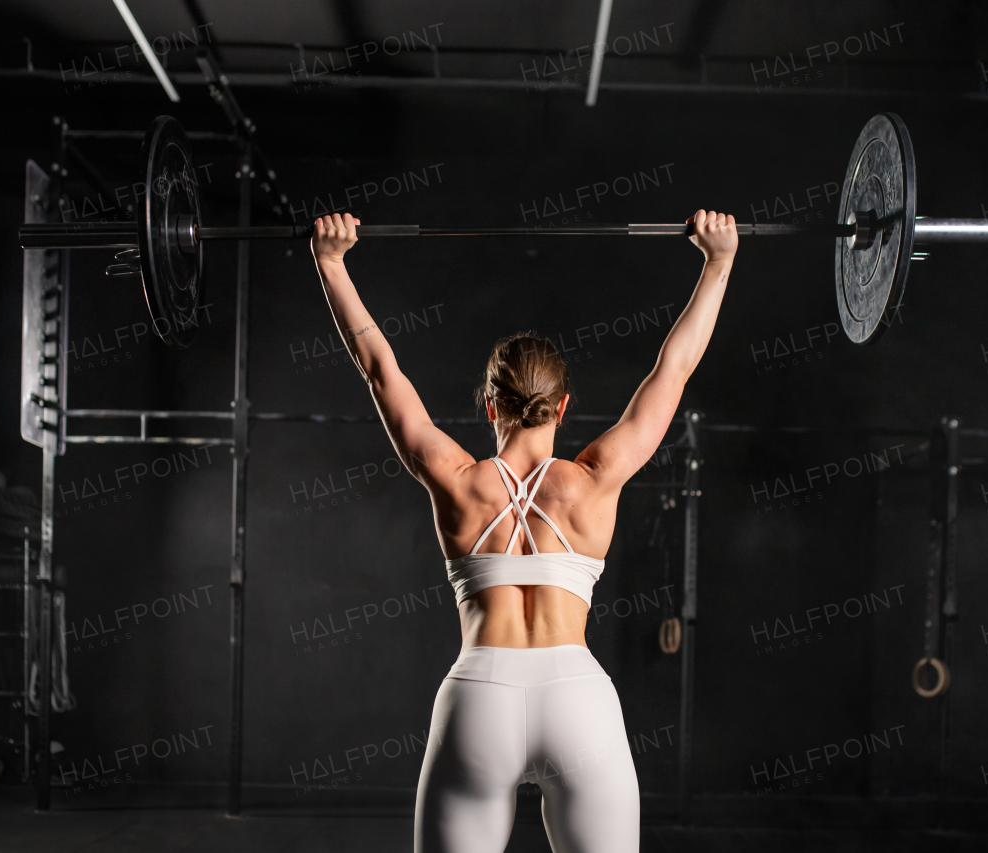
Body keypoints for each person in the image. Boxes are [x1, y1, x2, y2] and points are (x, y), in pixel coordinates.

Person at [311, 209, 738, 853]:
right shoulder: (596, 479)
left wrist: (331, 263)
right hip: (579, 700)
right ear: (563, 405)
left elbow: (380, 367)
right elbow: (672, 370)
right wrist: (718, 263)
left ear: (488, 404)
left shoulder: (454, 479)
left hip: (479, 697)